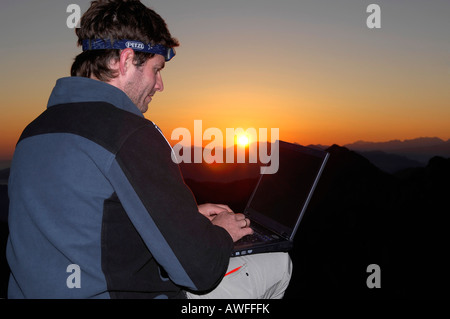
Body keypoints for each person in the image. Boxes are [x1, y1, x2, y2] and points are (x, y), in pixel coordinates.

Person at [6, 0, 292, 299]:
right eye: (157, 69)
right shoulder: (129, 133)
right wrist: (219, 232)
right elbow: (199, 271)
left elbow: (82, 224)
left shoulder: (35, 130)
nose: (160, 85)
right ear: (126, 60)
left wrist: (181, 219)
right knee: (277, 262)